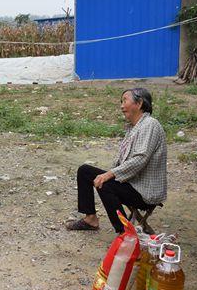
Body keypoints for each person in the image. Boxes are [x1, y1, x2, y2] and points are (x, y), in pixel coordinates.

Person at [66, 88, 167, 233]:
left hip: (144, 191)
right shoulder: (134, 127)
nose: (121, 106)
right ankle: (91, 219)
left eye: (125, 100)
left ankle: (125, 232)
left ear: (139, 104)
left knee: (105, 183)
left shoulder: (150, 125)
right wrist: (110, 173)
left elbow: (140, 159)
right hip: (131, 183)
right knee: (85, 171)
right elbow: (122, 161)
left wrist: (109, 174)